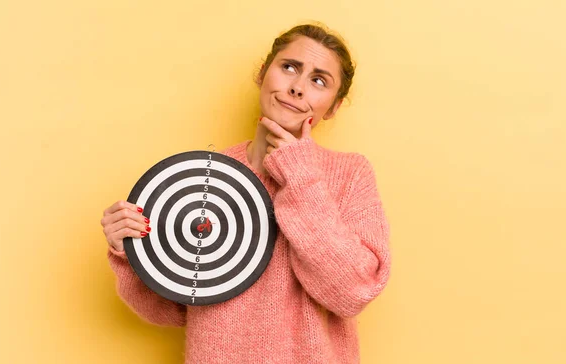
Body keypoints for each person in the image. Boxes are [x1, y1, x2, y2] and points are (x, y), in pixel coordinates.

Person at [100, 23, 391, 364]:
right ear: (263, 73)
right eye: (289, 67)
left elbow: (353, 292)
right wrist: (131, 253)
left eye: (319, 80)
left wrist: (298, 174)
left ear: (333, 107)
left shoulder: (351, 175)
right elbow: (171, 310)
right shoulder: (204, 176)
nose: (297, 88)